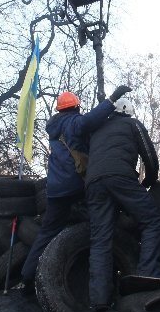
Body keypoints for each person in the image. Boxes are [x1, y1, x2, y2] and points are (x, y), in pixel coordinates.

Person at [19, 85, 132, 289]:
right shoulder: (73, 122)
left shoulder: (54, 129)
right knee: (101, 222)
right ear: (76, 107)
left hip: (55, 189)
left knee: (47, 232)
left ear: (59, 109)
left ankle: (27, 276)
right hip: (77, 185)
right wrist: (112, 99)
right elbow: (90, 120)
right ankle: (102, 275)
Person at [85, 96, 160, 311]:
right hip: (120, 177)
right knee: (153, 221)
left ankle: (99, 300)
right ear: (127, 112)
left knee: (100, 239)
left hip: (93, 183)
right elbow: (149, 157)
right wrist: (149, 181)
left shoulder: (97, 131)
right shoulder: (132, 124)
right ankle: (148, 276)